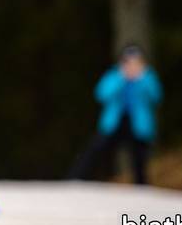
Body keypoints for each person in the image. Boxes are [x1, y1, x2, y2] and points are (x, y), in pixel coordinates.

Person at [70, 45, 163, 185]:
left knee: (139, 159)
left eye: (135, 61)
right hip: (114, 123)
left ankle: (142, 188)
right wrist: (121, 78)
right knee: (95, 150)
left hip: (138, 125)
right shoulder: (115, 75)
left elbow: (156, 97)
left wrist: (142, 78)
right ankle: (75, 179)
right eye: (128, 61)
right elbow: (101, 94)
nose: (131, 65)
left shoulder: (147, 77)